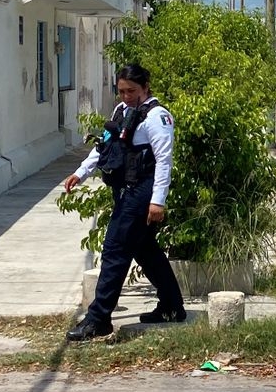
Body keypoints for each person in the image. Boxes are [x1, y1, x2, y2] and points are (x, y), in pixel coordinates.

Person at [63, 64, 186, 342]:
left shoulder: (157, 116)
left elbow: (164, 162)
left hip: (142, 193)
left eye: (132, 91)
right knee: (145, 251)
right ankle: (171, 307)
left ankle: (98, 319)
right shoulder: (121, 112)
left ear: (145, 87)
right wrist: (80, 173)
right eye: (121, 91)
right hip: (124, 189)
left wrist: (158, 202)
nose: (126, 96)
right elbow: (104, 147)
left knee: (115, 250)